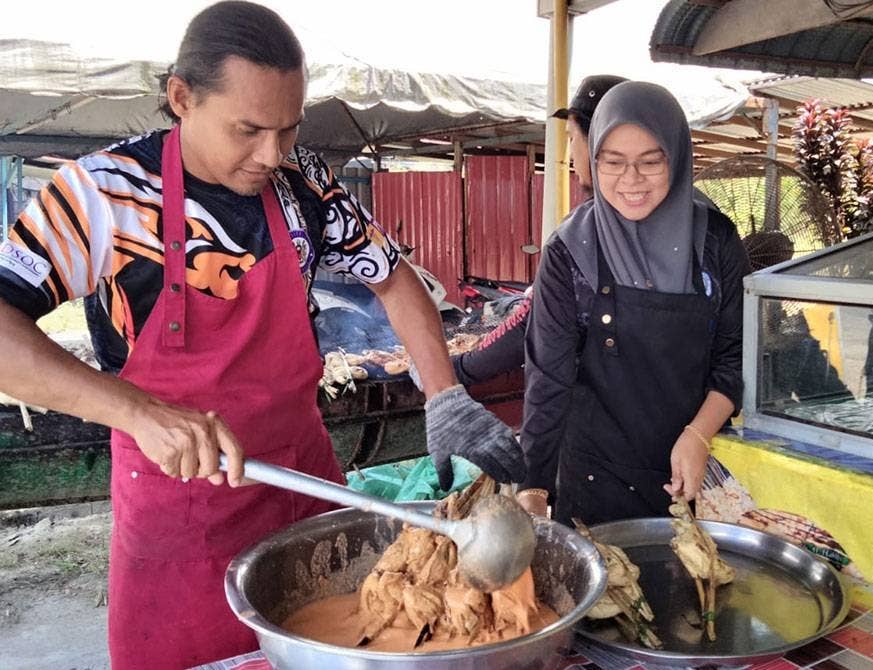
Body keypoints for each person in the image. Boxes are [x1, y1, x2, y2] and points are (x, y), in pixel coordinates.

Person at [0, 3, 523, 667]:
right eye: (248, 129)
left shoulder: (302, 183)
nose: (271, 153)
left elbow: (393, 280)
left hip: (303, 487)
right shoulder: (105, 196)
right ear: (182, 98)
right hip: (181, 509)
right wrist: (135, 411)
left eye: (289, 127)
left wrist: (444, 393)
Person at [518, 81, 751, 526]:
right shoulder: (570, 251)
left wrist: (699, 436)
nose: (631, 181)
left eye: (650, 162)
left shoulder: (715, 241)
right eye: (613, 162)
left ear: (677, 157)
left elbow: (735, 356)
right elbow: (548, 377)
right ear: (594, 160)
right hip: (593, 476)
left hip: (694, 470)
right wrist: (534, 486)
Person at [453, 75, 627, 387]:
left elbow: (531, 322)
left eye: (572, 137)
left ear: (600, 139)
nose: (571, 154)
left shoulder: (586, 229)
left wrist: (459, 369)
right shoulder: (705, 219)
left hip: (608, 416)